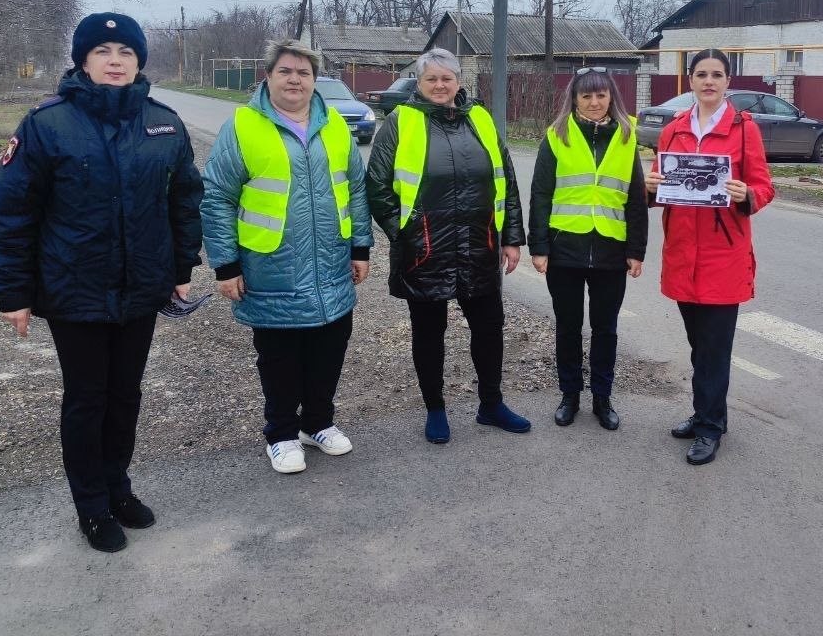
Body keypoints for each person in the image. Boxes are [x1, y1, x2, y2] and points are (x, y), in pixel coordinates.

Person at [0, 12, 203, 553]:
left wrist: (180, 270)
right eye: (103, 51)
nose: (115, 61)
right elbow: (9, 213)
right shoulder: (47, 124)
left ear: (138, 61)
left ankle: (118, 488)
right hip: (74, 289)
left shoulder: (164, 124)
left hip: (141, 288)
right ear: (83, 60)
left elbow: (184, 202)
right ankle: (91, 506)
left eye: (125, 52)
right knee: (87, 398)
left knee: (125, 394)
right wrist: (14, 294)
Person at [200, 39, 372, 475]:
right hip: (271, 266)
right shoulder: (243, 126)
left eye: (304, 73)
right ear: (268, 77)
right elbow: (217, 197)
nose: (295, 80)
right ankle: (280, 434)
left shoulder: (334, 125)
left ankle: (317, 423)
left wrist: (361, 247)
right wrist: (225, 265)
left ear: (314, 80)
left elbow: (355, 189)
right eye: (286, 71)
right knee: (279, 356)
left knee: (329, 349)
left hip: (331, 263)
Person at [366, 48, 528, 444]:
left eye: (446, 78)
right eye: (431, 79)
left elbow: (505, 180)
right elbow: (377, 187)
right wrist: (404, 233)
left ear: (458, 81)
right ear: (419, 83)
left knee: (489, 328)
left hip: (479, 246)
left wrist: (511, 238)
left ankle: (491, 404)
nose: (440, 85)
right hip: (425, 250)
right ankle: (435, 409)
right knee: (428, 332)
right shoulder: (401, 122)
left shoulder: (481, 119)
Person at [645, 49, 774, 466]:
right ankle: (708, 412)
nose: (709, 81)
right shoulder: (674, 130)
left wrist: (747, 194)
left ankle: (709, 428)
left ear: (727, 81)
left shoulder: (744, 130)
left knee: (714, 350)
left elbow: (764, 187)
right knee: (699, 345)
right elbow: (659, 186)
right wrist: (650, 187)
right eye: (701, 74)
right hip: (683, 252)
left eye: (717, 74)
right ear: (690, 80)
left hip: (724, 255)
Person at [527, 67, 647, 430]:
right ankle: (570, 395)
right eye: (586, 96)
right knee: (568, 327)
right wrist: (539, 246)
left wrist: (636, 250)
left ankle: (602, 398)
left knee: (605, 330)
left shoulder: (627, 136)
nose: (594, 102)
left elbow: (636, 198)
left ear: (611, 97)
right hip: (565, 249)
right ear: (574, 99)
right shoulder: (557, 135)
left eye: (601, 95)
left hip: (611, 250)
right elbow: (541, 194)